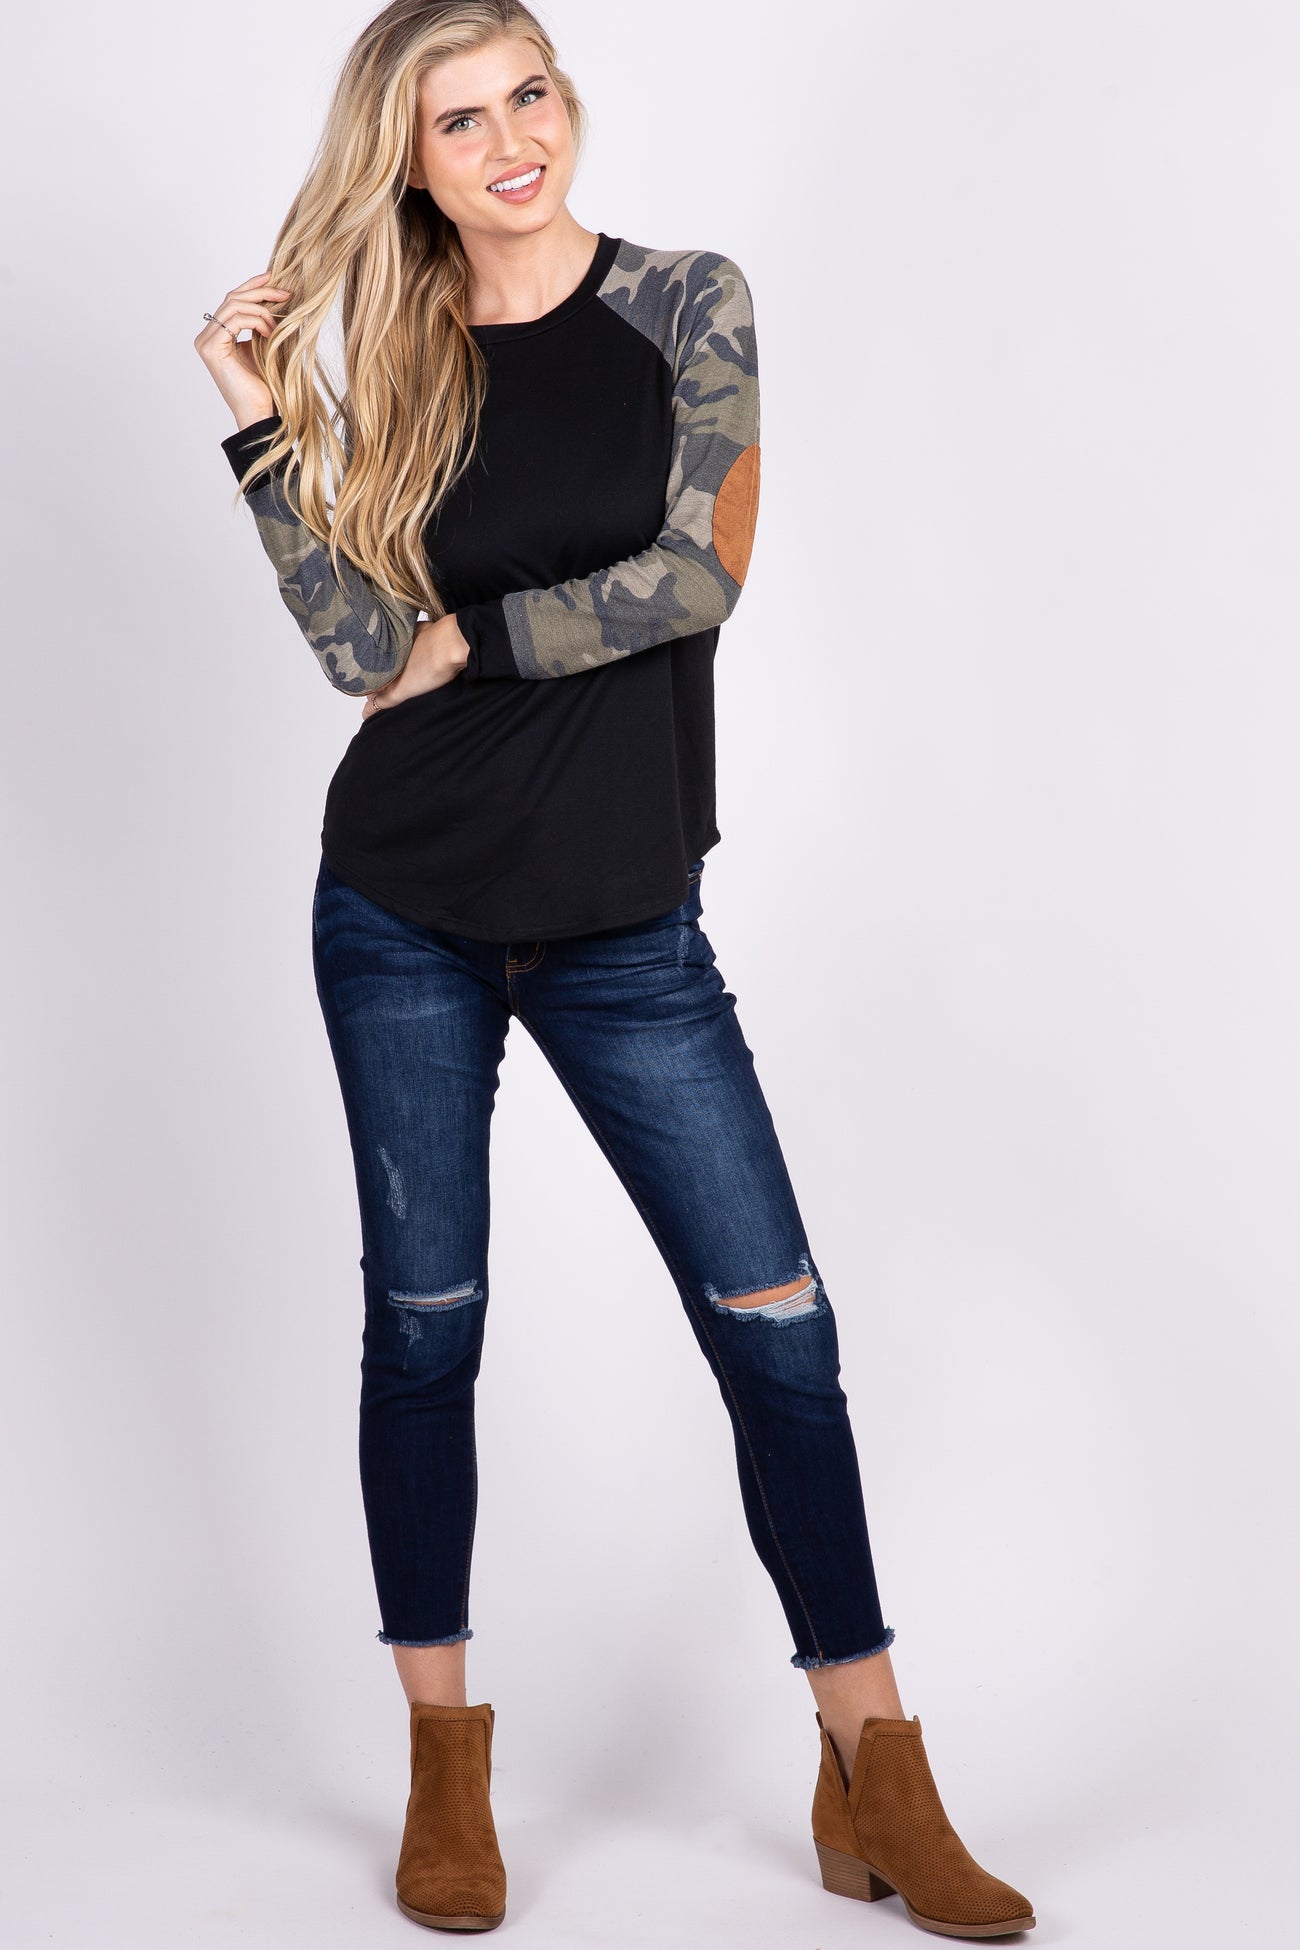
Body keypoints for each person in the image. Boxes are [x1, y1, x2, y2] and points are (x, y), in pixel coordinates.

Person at [195, 1, 1036, 1937]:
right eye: (461, 122)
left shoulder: (682, 302)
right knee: (425, 1326)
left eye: (529, 95)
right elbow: (359, 650)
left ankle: (873, 1767)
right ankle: (444, 1766)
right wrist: (251, 418)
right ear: (406, 162)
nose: (512, 141)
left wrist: (480, 639)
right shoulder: (391, 347)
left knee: (776, 1327)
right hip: (399, 901)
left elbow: (698, 570)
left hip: (623, 921)